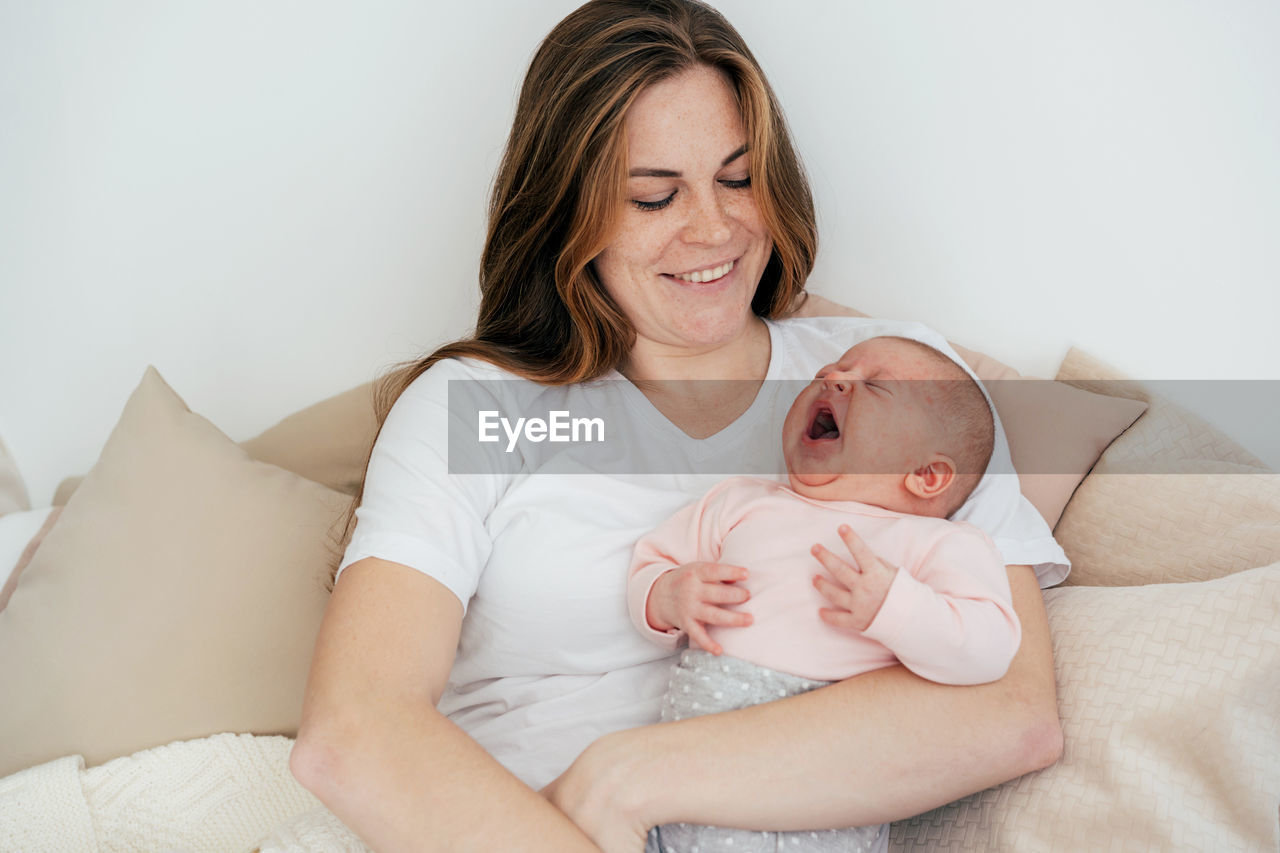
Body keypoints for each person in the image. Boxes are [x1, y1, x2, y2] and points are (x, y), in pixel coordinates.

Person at [289, 2, 1068, 852]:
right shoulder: (474, 409)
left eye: (737, 180)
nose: (713, 228)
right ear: (567, 214)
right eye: (654, 196)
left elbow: (1013, 710)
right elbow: (354, 731)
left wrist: (627, 777)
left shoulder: (903, 383)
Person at [631, 335, 1020, 853]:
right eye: (832, 370)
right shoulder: (742, 502)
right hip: (704, 729)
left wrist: (897, 608)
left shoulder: (941, 544)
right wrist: (665, 597)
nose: (833, 378)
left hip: (830, 746)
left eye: (874, 386)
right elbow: (653, 560)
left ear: (927, 476)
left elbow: (989, 647)